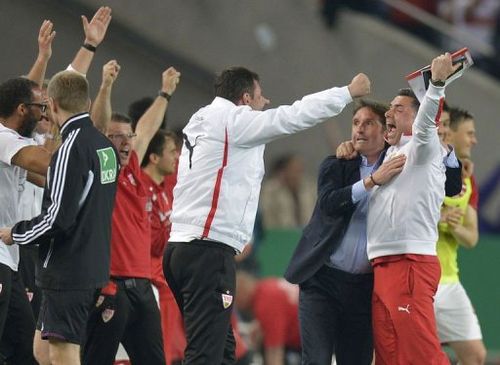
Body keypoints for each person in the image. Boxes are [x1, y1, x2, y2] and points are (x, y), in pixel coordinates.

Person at [163, 66, 370, 364]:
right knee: (206, 354)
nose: (266, 102)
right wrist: (347, 93)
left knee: (223, 350)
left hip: (182, 249)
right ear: (245, 98)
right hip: (206, 252)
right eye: (261, 96)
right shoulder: (234, 120)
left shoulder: (200, 119)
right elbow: (294, 116)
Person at [0, 70, 119, 365]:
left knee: (62, 352)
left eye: (45, 107)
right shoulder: (105, 148)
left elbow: (58, 217)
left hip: (67, 268)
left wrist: (16, 233)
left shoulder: (70, 148)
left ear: (52, 106)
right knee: (39, 351)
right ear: (88, 102)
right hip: (92, 263)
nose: (43, 115)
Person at [285, 99, 403, 364]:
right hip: (322, 281)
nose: (359, 129)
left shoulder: (399, 167)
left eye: (369, 123)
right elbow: (329, 203)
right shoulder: (337, 164)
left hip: (365, 286)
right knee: (316, 359)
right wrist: (371, 181)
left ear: (386, 131)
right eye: (356, 123)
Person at [82, 61, 180, 365]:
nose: (125, 143)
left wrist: (164, 93)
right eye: (116, 137)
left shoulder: (134, 170)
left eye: (128, 137)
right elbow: (97, 126)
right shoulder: (104, 170)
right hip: (112, 286)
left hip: (142, 289)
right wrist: (106, 86)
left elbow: (147, 128)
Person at [366, 53, 461, 364]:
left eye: (398, 108)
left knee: (421, 356)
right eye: (389, 107)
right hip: (382, 264)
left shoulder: (425, 146)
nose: (388, 112)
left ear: (418, 116)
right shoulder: (389, 154)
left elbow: (424, 126)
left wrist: (436, 86)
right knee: (389, 357)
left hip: (410, 263)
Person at [435, 107, 486, 365]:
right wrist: (438, 218)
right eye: (470, 133)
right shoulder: (422, 167)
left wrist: (452, 225)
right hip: (417, 279)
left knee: (475, 356)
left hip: (449, 281)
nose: (474, 140)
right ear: (449, 133)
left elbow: (472, 238)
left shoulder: (468, 180)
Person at [140, 130, 185, 365]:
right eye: (171, 152)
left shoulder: (161, 190)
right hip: (146, 274)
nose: (176, 157)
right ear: (154, 158)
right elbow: (149, 243)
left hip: (161, 269)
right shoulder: (140, 189)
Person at [236, 269, 301, 365]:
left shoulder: (265, 302)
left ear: (242, 291)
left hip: (311, 341)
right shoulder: (266, 286)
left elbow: (274, 352)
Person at [260, 154, 317, 229]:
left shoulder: (309, 189)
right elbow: (267, 218)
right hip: (279, 235)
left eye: (300, 171)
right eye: (294, 170)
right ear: (283, 172)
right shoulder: (270, 191)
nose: (298, 175)